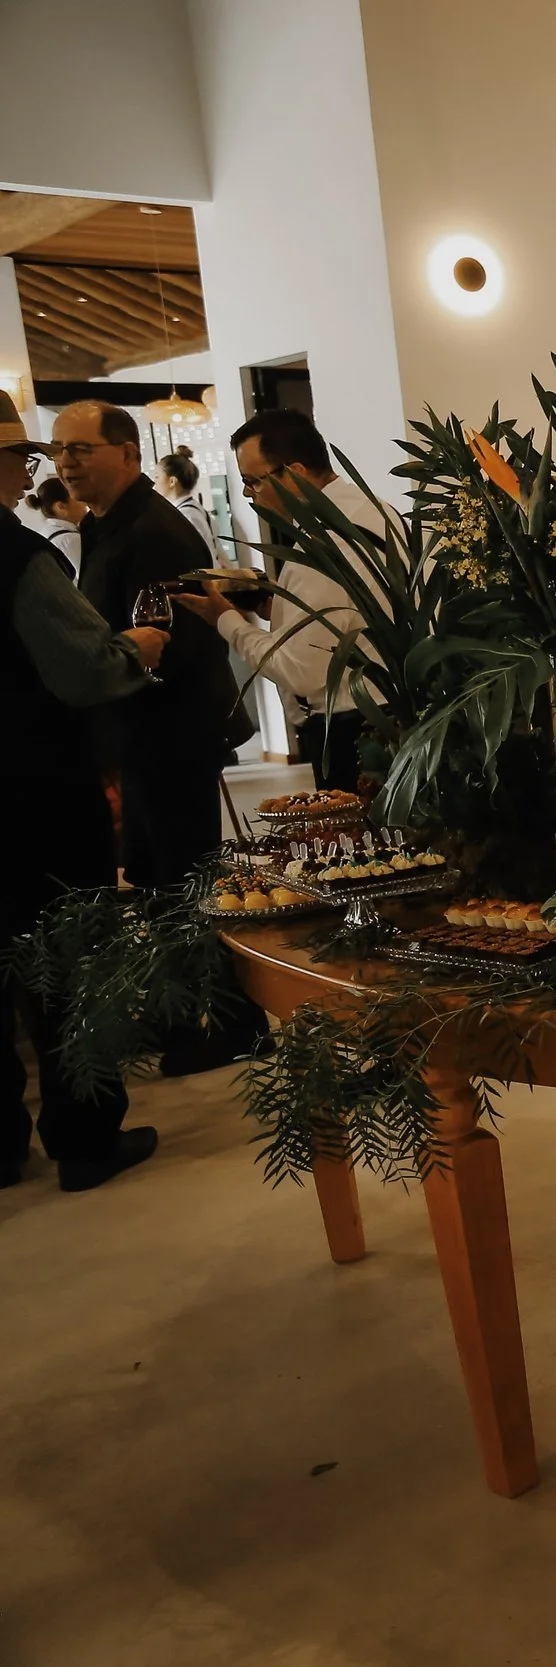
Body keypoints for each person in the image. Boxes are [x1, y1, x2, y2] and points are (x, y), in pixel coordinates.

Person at [0, 393, 174, 1191]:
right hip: (36, 787)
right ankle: (83, 1133)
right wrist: (136, 650)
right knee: (68, 957)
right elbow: (83, 668)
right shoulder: (14, 555)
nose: (36, 470)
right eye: (28, 457)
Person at [51, 399, 242, 889]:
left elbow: (182, 646)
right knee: (149, 876)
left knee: (179, 881)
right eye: (57, 450)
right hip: (136, 737)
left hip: (168, 735)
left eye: (80, 449)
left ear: (129, 453)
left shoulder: (153, 532)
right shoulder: (103, 525)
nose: (65, 462)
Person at [175, 408, 382, 793]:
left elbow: (300, 669)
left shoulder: (324, 543)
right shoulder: (371, 510)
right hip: (388, 712)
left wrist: (226, 620)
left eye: (253, 481)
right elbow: (352, 617)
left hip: (354, 727)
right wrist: (272, 605)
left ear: (296, 474)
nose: (248, 495)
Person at [157, 444, 218, 553]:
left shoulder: (186, 515)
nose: (155, 482)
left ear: (172, 481)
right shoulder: (193, 509)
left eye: (158, 477)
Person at [31, 477, 84, 576]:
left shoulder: (45, 532)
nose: (84, 503)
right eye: (78, 499)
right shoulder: (70, 540)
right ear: (61, 507)